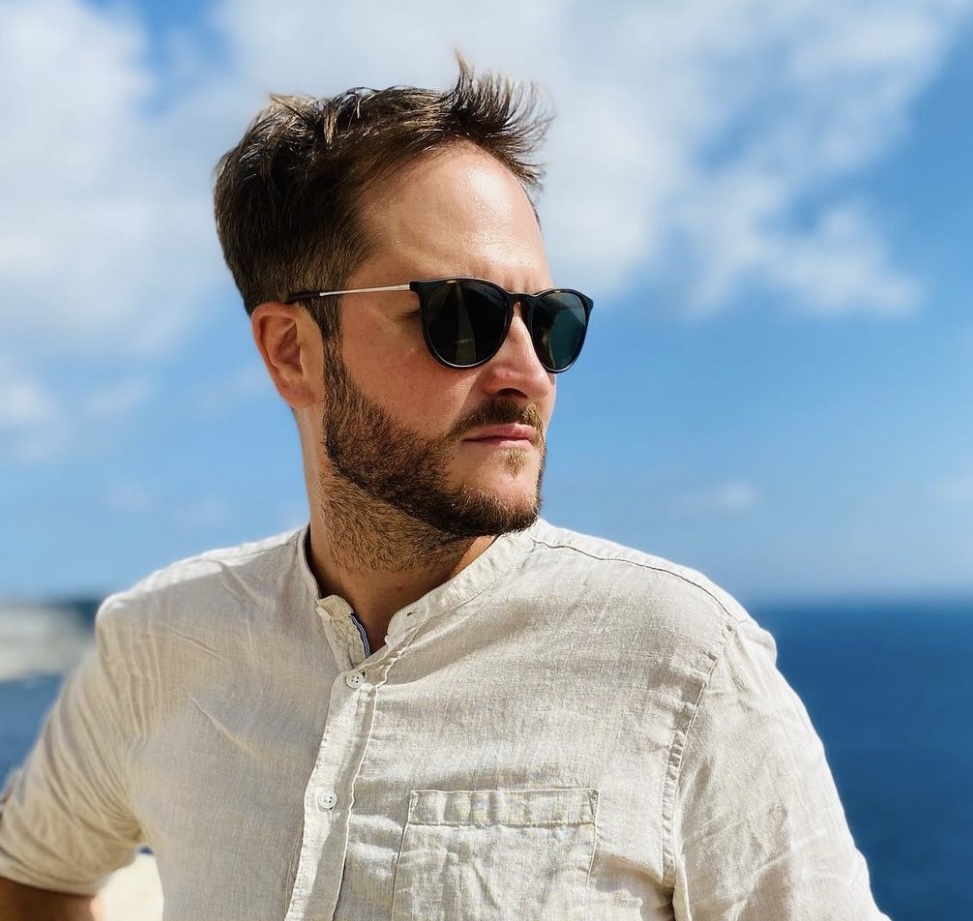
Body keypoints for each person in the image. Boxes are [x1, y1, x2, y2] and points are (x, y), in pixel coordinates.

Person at [0, 60, 890, 921]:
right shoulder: (159, 643)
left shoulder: (683, 660)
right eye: (461, 314)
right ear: (291, 350)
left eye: (549, 320)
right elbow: (30, 873)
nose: (529, 372)